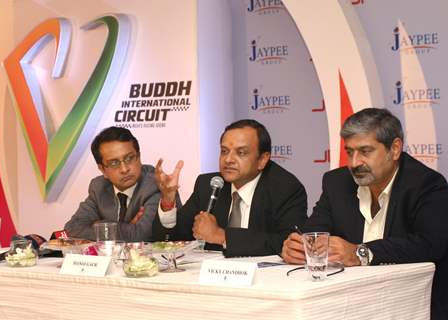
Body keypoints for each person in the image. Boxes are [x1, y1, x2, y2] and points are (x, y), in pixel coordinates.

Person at [281, 108, 448, 320]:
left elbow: (430, 244)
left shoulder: (426, 184)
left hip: (410, 305)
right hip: (348, 303)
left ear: (394, 149)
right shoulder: (337, 182)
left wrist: (361, 253)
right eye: (349, 152)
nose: (354, 163)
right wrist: (298, 246)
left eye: (365, 151)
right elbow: (314, 231)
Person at [152, 119, 307, 257]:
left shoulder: (285, 188)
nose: (228, 159)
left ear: (262, 159)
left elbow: (290, 243)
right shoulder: (209, 184)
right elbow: (172, 240)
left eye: (241, 152)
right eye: (224, 151)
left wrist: (221, 236)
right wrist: (168, 200)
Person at [65, 126, 173, 242]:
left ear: (139, 157)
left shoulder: (154, 184)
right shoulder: (99, 187)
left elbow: (140, 236)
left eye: (129, 158)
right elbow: (72, 228)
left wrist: (99, 224)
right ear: (102, 170)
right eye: (114, 163)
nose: (124, 169)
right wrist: (126, 227)